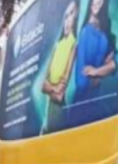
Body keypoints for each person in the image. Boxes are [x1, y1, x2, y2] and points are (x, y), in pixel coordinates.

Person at [72, 0, 118, 124]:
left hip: (97, 95)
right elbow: (81, 78)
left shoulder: (106, 28)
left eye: (100, 1)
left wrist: (98, 71)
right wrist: (99, 73)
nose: (97, 3)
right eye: (94, 1)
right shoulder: (85, 30)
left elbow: (113, 64)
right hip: (82, 99)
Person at [41, 1, 79, 133]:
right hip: (48, 111)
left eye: (71, 14)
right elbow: (42, 86)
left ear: (76, 16)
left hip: (58, 111)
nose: (67, 21)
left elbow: (60, 94)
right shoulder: (57, 46)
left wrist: (50, 88)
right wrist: (54, 88)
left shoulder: (74, 45)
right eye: (66, 16)